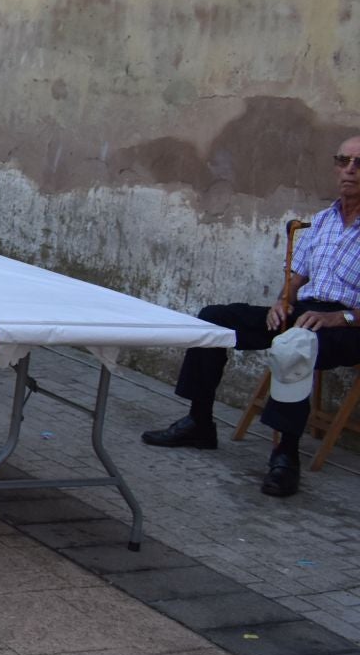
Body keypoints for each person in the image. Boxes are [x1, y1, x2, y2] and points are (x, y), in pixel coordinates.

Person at [142, 137, 360, 497]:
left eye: (359, 163)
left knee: (295, 344)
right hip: (304, 314)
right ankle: (199, 422)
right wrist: (281, 302)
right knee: (213, 319)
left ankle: (286, 456)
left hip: (348, 326)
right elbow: (297, 280)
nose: (350, 170)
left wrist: (342, 318)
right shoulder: (323, 221)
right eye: (343, 161)